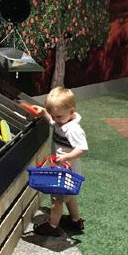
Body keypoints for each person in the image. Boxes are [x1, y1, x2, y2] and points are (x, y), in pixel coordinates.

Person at [33, 86, 88, 236]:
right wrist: (43, 112)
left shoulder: (73, 129)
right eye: (53, 115)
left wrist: (66, 157)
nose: (55, 120)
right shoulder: (62, 122)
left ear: (71, 111)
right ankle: (75, 221)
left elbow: (82, 149)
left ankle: (52, 225)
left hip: (67, 170)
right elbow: (53, 122)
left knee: (57, 198)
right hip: (63, 169)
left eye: (58, 116)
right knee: (69, 196)